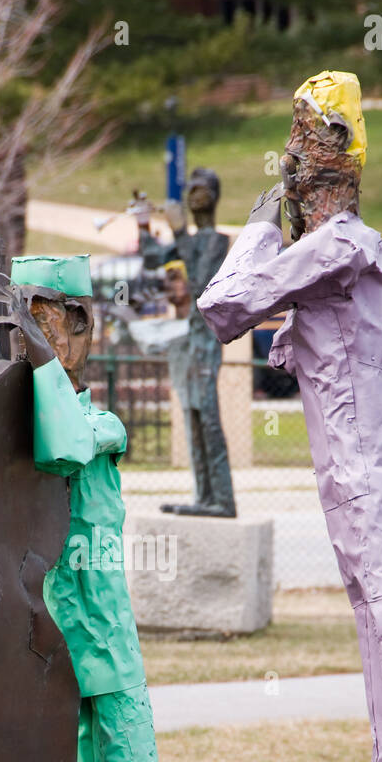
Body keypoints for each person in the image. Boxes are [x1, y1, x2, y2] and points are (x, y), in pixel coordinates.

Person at [198, 71, 382, 762]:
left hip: (358, 462)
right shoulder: (337, 253)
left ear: (335, 151)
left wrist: (255, 228)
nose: (287, 157)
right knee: (373, 606)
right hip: (351, 459)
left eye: (302, 138)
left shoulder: (338, 246)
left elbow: (223, 308)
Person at [0, 252, 187, 762]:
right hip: (62, 629)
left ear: (79, 329)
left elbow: (67, 444)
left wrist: (36, 356)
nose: (35, 341)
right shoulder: (38, 414)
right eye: (26, 326)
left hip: (103, 626)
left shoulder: (97, 422)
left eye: (45, 325)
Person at [138, 169, 236, 517]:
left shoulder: (216, 242)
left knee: (208, 418)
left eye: (200, 189)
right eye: (190, 188)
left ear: (213, 195)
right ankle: (204, 496)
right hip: (187, 342)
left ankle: (222, 499)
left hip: (206, 342)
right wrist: (143, 224)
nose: (193, 195)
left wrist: (179, 231)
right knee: (192, 419)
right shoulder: (190, 242)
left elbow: (200, 288)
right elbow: (152, 259)